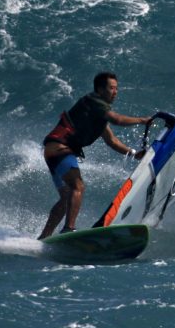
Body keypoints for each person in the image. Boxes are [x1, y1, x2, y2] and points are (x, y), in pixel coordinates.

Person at [39, 72, 151, 239]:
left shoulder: (97, 113)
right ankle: (69, 229)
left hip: (53, 151)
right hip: (60, 149)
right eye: (111, 88)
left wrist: (134, 154)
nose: (115, 92)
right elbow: (118, 120)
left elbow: (112, 140)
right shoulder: (94, 101)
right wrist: (142, 120)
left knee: (66, 198)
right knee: (78, 186)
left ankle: (44, 237)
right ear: (100, 90)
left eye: (116, 89)